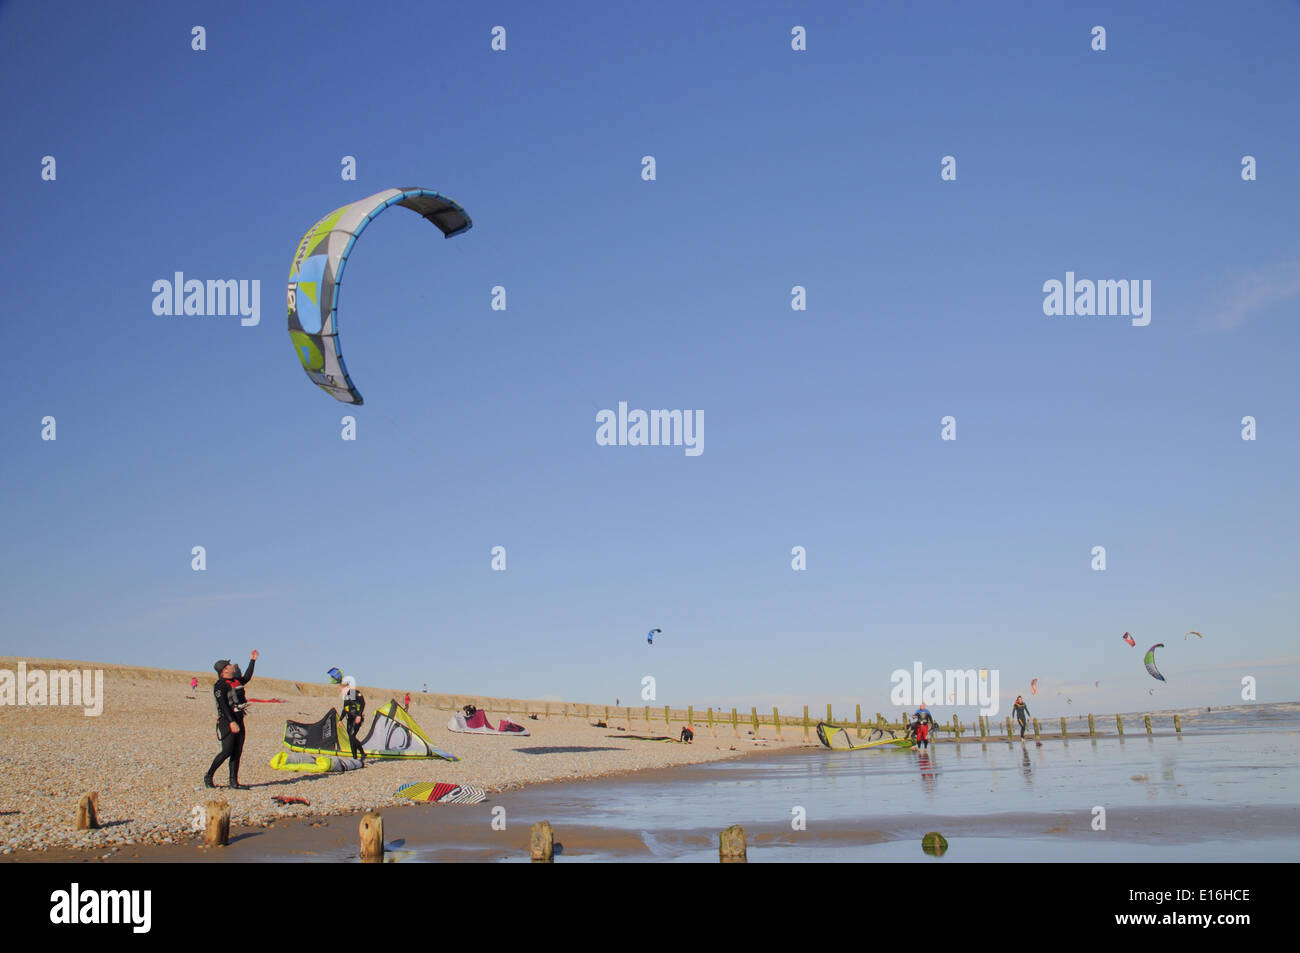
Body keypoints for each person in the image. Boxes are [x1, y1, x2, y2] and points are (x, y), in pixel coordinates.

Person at [204, 650, 258, 789]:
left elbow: (246, 677)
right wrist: (231, 722)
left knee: (237, 751)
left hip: (239, 719)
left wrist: (253, 660)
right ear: (223, 671)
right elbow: (223, 705)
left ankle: (233, 782)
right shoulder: (220, 685)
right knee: (227, 751)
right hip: (227, 721)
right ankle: (209, 776)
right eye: (228, 666)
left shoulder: (235, 680)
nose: (231, 666)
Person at [341, 677, 366, 764]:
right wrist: (340, 720)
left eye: (342, 688)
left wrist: (359, 716)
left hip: (356, 718)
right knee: (350, 738)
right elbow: (345, 709)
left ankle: (362, 753)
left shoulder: (355, 693)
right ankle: (354, 757)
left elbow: (363, 703)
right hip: (350, 719)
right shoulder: (347, 697)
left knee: (352, 736)